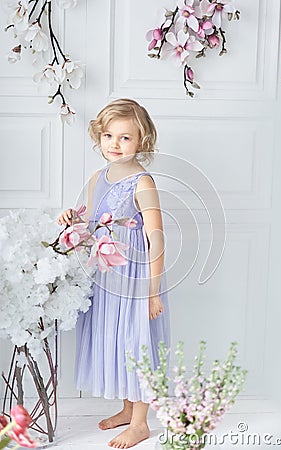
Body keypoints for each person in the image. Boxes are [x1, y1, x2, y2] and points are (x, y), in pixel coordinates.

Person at [57, 98, 170, 448]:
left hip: (136, 278)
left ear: (142, 141)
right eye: (108, 135)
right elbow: (94, 224)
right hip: (107, 275)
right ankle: (126, 408)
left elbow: (156, 236)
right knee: (120, 341)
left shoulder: (143, 182)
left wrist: (152, 291)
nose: (114, 144)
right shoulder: (97, 178)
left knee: (137, 342)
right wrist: (72, 220)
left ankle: (140, 422)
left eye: (125, 138)